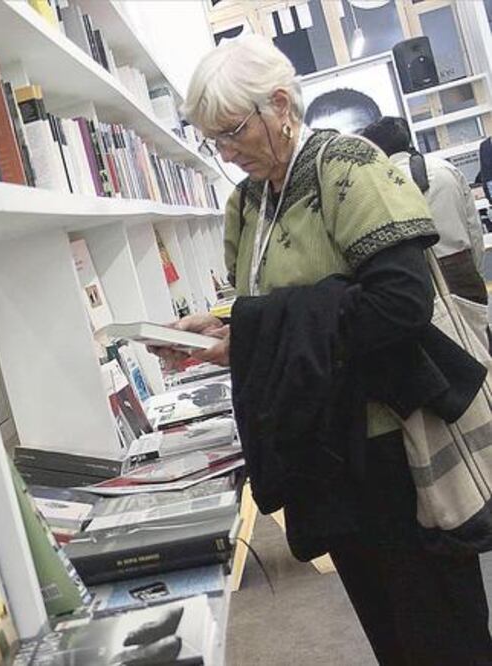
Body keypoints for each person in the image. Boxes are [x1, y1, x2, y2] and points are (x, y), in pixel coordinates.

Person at [172, 34, 492, 665]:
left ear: (281, 104)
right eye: (216, 139)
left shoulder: (349, 168)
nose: (227, 152)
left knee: (440, 630)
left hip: (391, 447)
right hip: (322, 447)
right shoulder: (249, 202)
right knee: (387, 628)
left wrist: (263, 333)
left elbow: (400, 304)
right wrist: (219, 329)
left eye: (234, 132)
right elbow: (258, 305)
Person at [361, 116, 487, 304]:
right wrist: (471, 269)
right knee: (478, 330)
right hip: (461, 266)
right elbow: (474, 229)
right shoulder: (446, 169)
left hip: (417, 281)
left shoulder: (376, 186)